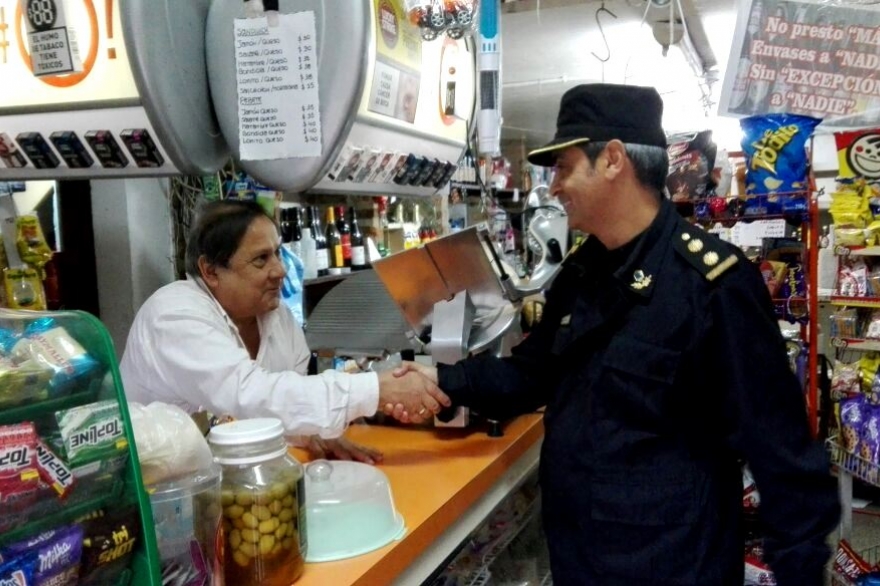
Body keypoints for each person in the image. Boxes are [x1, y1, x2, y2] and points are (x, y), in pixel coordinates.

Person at [394, 84, 840, 585]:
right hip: (581, 557)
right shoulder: (582, 273)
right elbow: (531, 375)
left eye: (563, 167)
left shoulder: (712, 285)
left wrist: (800, 572)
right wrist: (438, 379)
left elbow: (781, 454)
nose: (554, 185)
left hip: (672, 565)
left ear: (611, 160)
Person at [120, 199, 449, 464]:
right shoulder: (174, 315)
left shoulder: (273, 316)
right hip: (156, 490)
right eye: (261, 259)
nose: (279, 270)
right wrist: (376, 390)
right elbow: (250, 395)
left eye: (277, 252)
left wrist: (311, 432)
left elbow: (286, 397)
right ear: (210, 271)